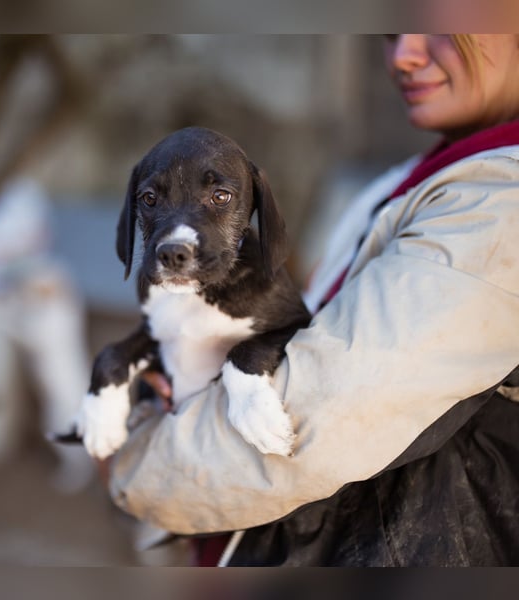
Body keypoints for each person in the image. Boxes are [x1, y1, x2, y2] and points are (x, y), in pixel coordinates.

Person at [107, 34, 519, 566]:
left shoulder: (499, 201)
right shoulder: (412, 180)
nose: (403, 56)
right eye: (391, 33)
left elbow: (324, 417)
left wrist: (136, 462)